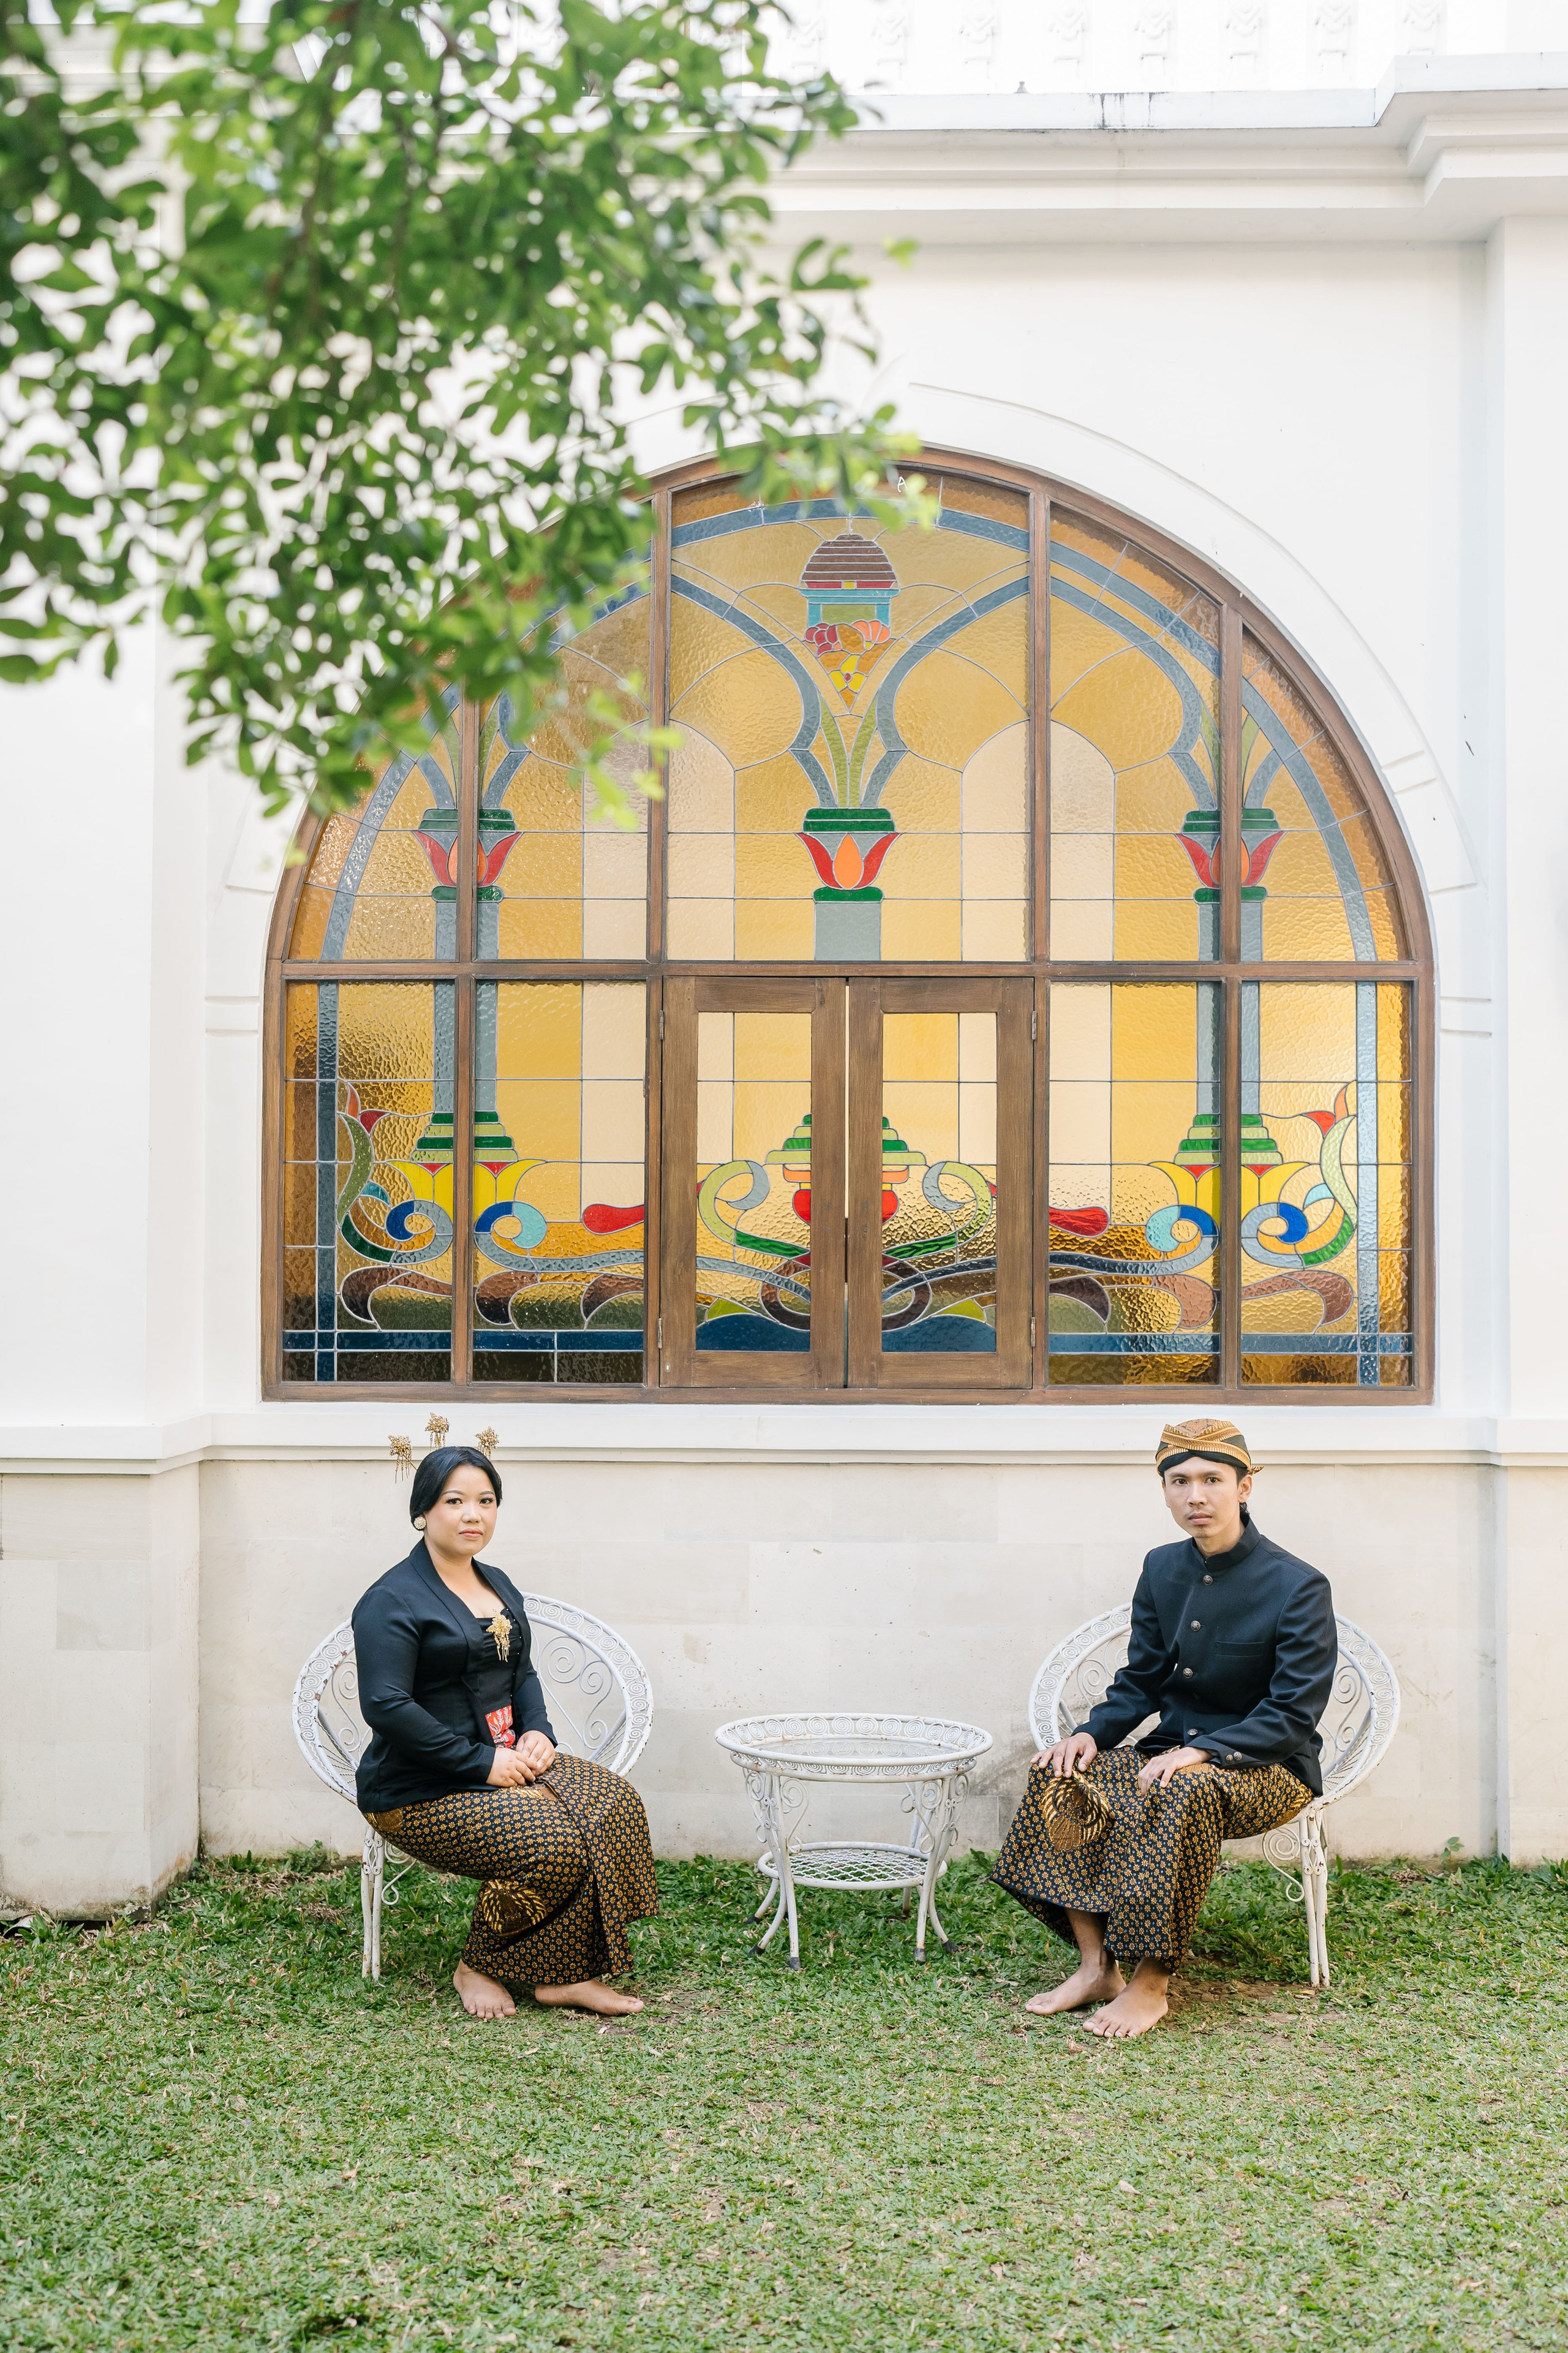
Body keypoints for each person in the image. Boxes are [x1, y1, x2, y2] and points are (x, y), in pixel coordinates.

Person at [992, 1418, 1337, 2039]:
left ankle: (1151, 1984)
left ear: (1245, 1487)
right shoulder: (1161, 1567)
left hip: (1269, 1767)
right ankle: (1096, 1967)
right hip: (1168, 1753)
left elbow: (1293, 1711)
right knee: (1060, 1773)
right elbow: (1143, 1678)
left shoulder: (1297, 1585)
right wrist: (1091, 1735)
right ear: (1165, 1491)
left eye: (1212, 1479)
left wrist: (1203, 1752)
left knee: (1183, 1788)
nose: (1195, 1495)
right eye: (1179, 1481)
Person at [352, 1445, 658, 2020]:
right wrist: (482, 1763)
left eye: (486, 1500)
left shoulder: (497, 1582)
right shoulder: (390, 1599)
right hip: (418, 1789)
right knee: (554, 1843)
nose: (474, 1514)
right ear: (423, 1510)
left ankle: (564, 1974)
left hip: (504, 1760)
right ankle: (478, 1964)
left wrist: (538, 1730)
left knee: (613, 1803)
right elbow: (386, 1706)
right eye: (455, 1501)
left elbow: (522, 1672)